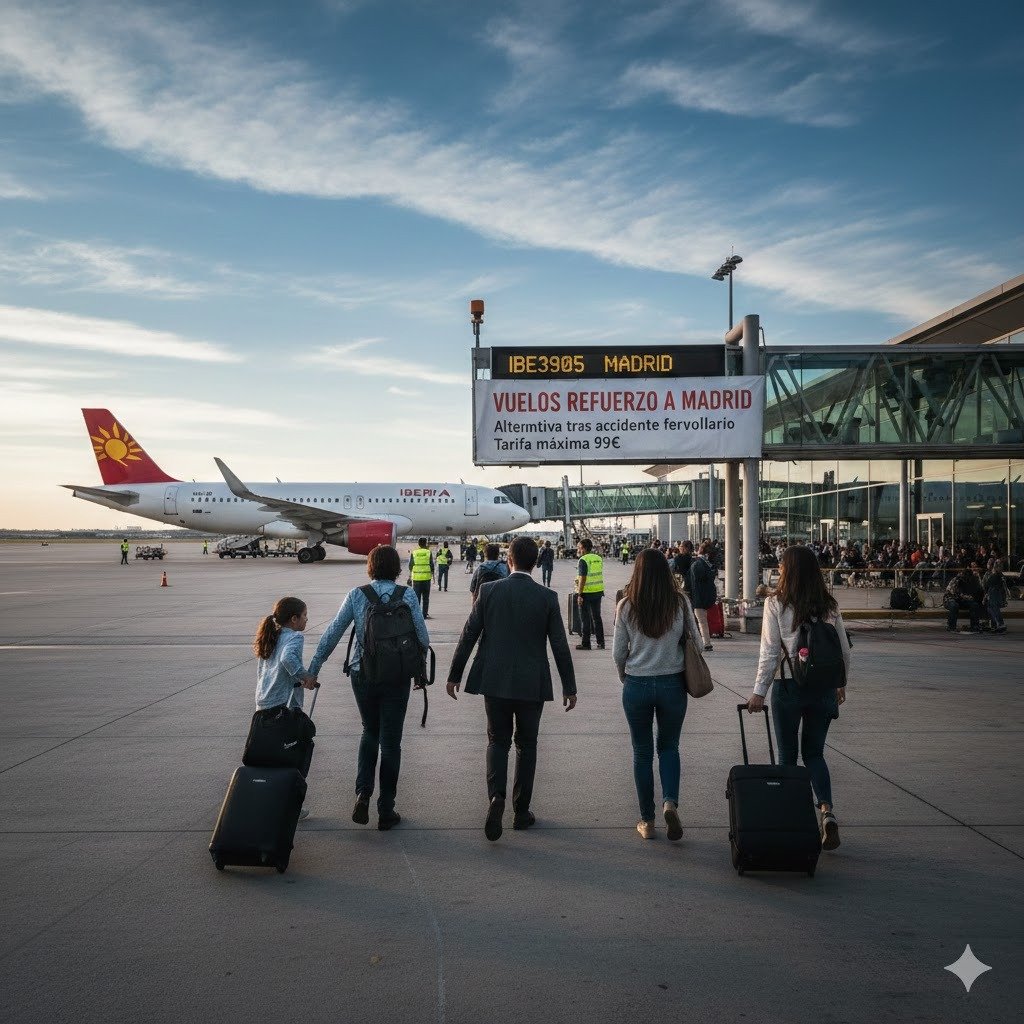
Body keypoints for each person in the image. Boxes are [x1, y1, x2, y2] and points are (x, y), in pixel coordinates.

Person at [447, 536, 577, 841]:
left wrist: (454, 675)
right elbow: (559, 645)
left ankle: (497, 797)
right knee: (527, 745)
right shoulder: (546, 597)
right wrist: (569, 687)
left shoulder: (489, 591)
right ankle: (521, 811)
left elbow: (468, 635)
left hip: (494, 681)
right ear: (535, 563)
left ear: (509, 560)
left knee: (497, 741)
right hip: (532, 684)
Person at [308, 545, 429, 831]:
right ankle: (386, 809)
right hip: (397, 676)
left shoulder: (357, 595)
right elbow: (422, 637)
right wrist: (418, 669)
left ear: (371, 567)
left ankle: (362, 793)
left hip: (363, 673)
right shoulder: (407, 595)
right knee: (391, 743)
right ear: (397, 568)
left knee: (369, 731)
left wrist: (314, 668)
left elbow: (333, 632)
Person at [746, 545, 850, 851]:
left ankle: (792, 822)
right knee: (815, 754)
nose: (778, 567)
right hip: (823, 689)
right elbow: (844, 649)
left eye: (781, 564)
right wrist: (841, 683)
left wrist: (758, 693)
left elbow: (769, 652)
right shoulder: (828, 603)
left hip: (789, 687)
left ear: (788, 570)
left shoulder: (777, 603)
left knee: (788, 757)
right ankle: (826, 811)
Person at [613, 550, 700, 841]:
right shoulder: (680, 603)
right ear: (666, 571)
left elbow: (617, 652)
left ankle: (647, 822)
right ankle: (670, 803)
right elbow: (697, 643)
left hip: (637, 684)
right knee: (669, 747)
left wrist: (625, 676)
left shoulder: (626, 606)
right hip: (672, 684)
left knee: (641, 751)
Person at [253, 596, 317, 820]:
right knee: (293, 756)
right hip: (283, 707)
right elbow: (288, 660)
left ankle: (265, 801)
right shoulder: (294, 637)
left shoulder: (272, 636)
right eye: (305, 616)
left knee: (269, 758)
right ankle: (290, 806)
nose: (307, 620)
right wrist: (305, 676)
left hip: (263, 704)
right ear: (294, 619)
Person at [575, 537, 606, 650]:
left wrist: (579, 594)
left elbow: (583, 578)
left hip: (586, 592)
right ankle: (601, 642)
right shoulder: (598, 558)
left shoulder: (583, 560)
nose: (578, 550)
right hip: (598, 591)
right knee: (597, 617)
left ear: (583, 549)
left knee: (585, 618)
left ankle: (586, 643)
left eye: (579, 547)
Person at [688, 540, 717, 651]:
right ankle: (706, 642)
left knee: (700, 621)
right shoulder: (708, 564)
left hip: (698, 597)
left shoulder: (697, 564)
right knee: (702, 620)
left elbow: (695, 583)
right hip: (707, 596)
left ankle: (706, 643)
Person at [944, 564, 985, 633]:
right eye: (966, 577)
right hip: (951, 599)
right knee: (954, 606)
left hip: (963, 600)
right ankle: (951, 627)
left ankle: (975, 626)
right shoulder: (957, 580)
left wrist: (974, 598)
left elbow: (979, 592)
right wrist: (964, 596)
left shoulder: (974, 580)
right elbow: (952, 592)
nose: (968, 579)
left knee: (974, 605)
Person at [408, 538, 434, 619]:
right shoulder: (428, 552)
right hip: (426, 578)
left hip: (416, 579)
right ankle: (424, 615)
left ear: (418, 544)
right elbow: (431, 565)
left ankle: (417, 615)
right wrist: (432, 573)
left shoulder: (414, 552)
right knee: (426, 598)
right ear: (425, 543)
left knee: (417, 598)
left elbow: (410, 565)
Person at [982, 560, 1010, 633]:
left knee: (993, 608)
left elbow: (987, 584)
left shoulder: (995, 575)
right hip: (995, 593)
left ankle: (1000, 625)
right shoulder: (999, 575)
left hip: (994, 593)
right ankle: (997, 624)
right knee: (992, 608)